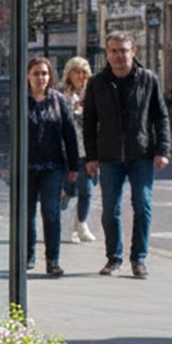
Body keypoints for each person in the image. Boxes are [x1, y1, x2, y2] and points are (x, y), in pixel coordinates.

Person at [83, 31, 171, 279]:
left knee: (142, 205)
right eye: (113, 51)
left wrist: (162, 150)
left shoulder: (148, 80)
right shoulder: (97, 83)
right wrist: (91, 156)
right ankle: (114, 258)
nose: (119, 55)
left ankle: (139, 258)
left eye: (123, 50)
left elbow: (160, 117)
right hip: (109, 156)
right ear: (107, 54)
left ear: (133, 51)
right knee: (110, 209)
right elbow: (90, 122)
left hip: (141, 153)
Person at [23, 56, 79, 278]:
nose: (40, 78)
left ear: (50, 76)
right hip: (25, 166)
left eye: (44, 74)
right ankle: (27, 256)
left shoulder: (58, 101)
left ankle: (52, 260)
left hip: (53, 167)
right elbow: (7, 130)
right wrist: (4, 162)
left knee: (51, 213)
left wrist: (74, 166)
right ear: (28, 76)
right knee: (26, 214)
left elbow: (70, 135)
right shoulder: (21, 100)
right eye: (36, 73)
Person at [60, 56, 97, 243]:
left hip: (87, 152)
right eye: (76, 71)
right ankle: (62, 222)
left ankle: (81, 225)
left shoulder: (92, 94)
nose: (80, 76)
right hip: (68, 152)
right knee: (68, 191)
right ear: (69, 74)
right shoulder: (62, 96)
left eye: (84, 72)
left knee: (87, 191)